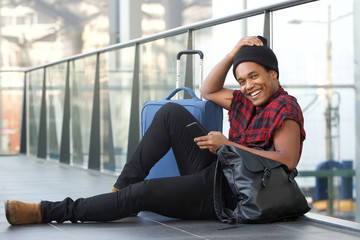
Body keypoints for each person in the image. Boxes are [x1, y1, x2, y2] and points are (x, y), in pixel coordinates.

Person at [5, 36, 305, 225]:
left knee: (145, 194)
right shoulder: (245, 101)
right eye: (242, 80)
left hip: (234, 195)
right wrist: (233, 53)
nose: (248, 86)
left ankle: (47, 211)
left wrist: (228, 144)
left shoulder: (285, 109)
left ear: (273, 74)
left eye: (255, 76)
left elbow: (286, 161)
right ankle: (120, 190)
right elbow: (208, 89)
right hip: (221, 171)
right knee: (171, 111)